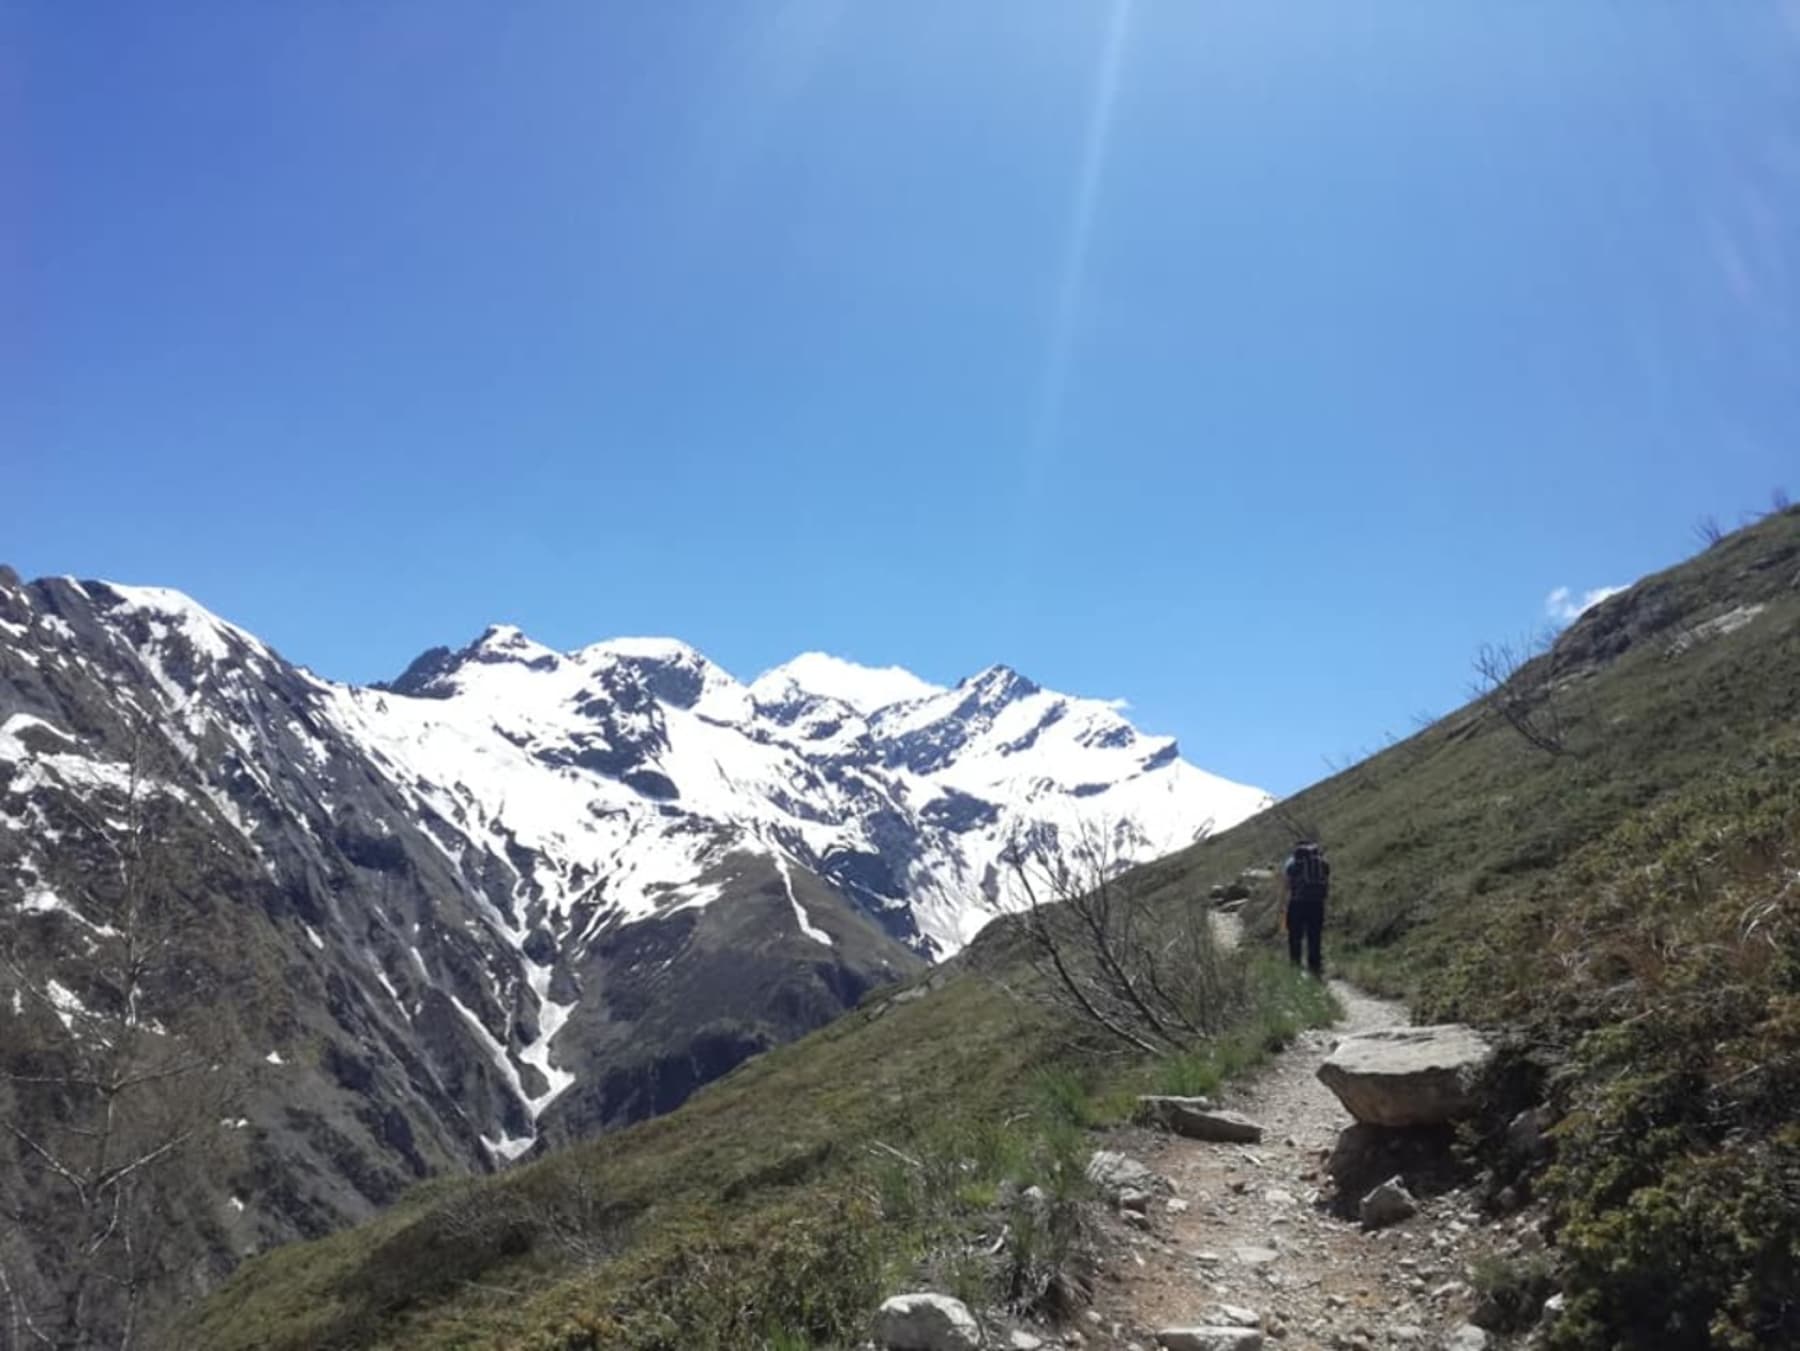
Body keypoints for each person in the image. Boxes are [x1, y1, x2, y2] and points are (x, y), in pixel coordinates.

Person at [1283, 840, 1330, 976]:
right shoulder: (1323, 864)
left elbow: (1286, 885)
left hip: (1297, 903)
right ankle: (1315, 967)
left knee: (1295, 936)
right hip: (1317, 904)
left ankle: (1295, 966)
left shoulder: (1293, 864)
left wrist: (1283, 905)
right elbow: (1326, 882)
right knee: (1314, 936)